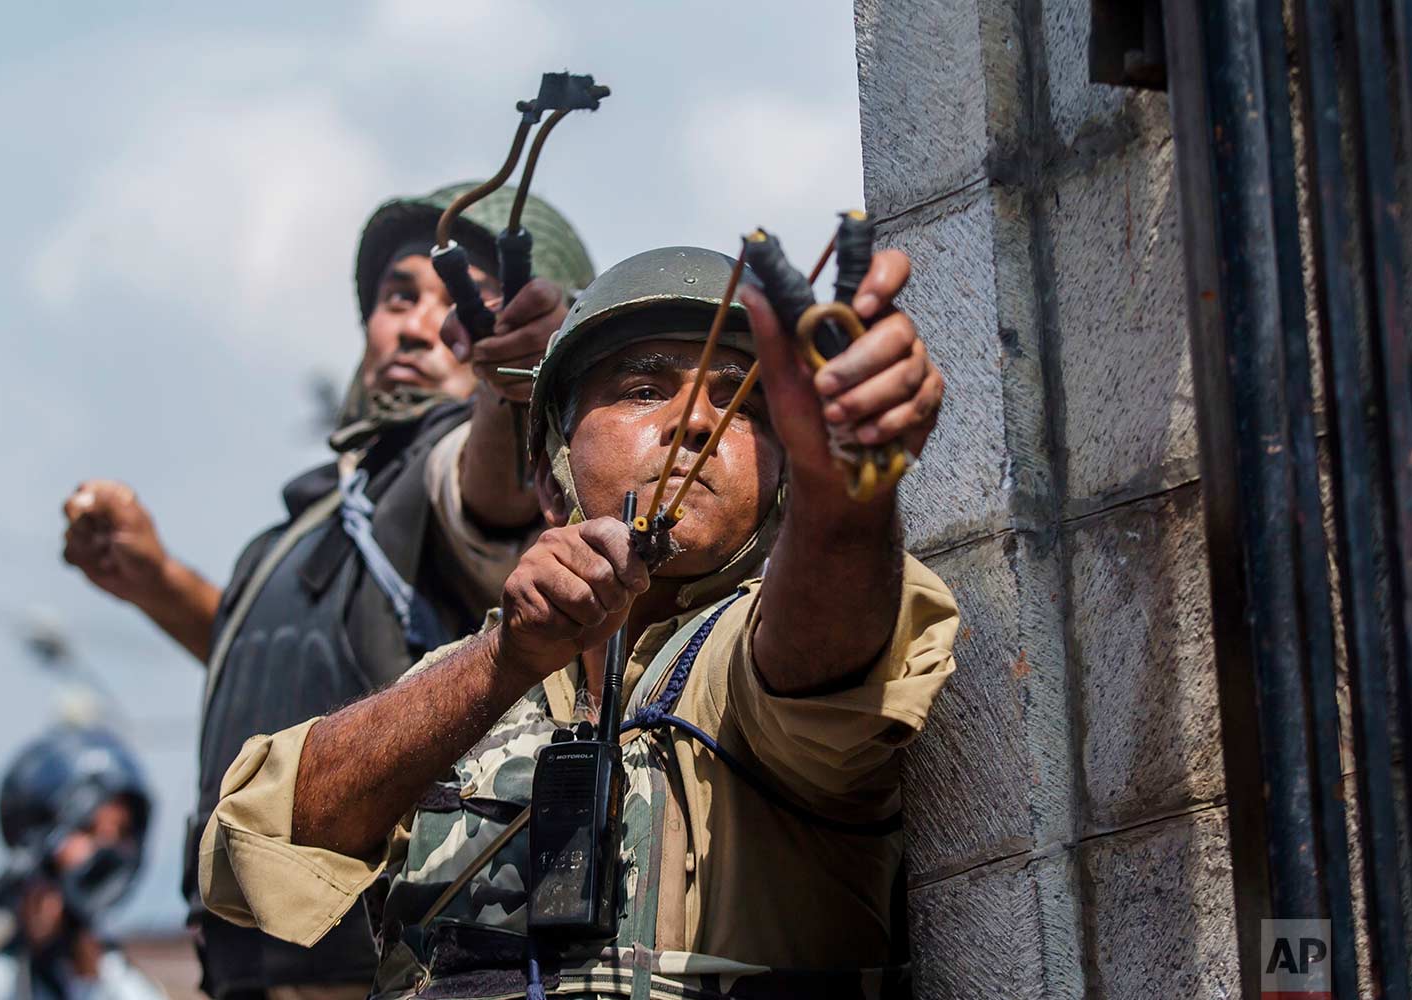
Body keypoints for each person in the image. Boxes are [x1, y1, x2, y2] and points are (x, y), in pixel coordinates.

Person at [196, 244, 958, 999]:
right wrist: (504, 660)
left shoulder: (757, 651)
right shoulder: (470, 680)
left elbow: (821, 645)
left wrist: (845, 486)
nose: (695, 420)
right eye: (641, 388)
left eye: (742, 404)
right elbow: (252, 851)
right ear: (549, 476)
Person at [60, 184, 595, 999]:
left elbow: (485, 497)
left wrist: (513, 382)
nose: (418, 323)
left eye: (459, 306)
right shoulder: (317, 513)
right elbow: (308, 663)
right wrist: (155, 581)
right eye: (398, 295)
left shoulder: (449, 470)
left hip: (381, 971)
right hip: (241, 971)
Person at [0, 726, 163, 1000]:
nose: (107, 849)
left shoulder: (123, 983)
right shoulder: (1, 981)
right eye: (88, 829)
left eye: (121, 833)